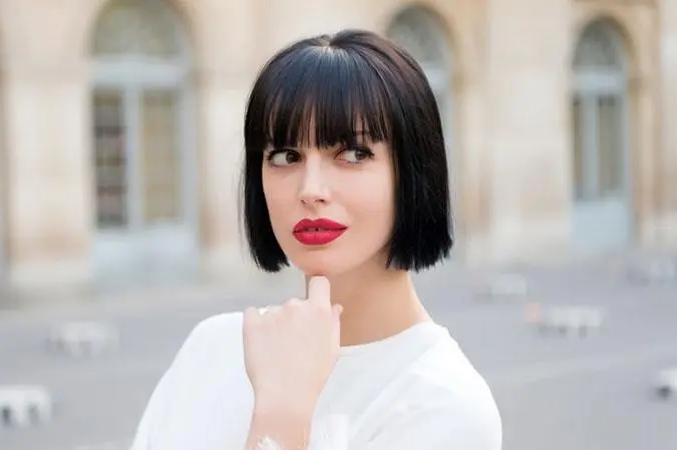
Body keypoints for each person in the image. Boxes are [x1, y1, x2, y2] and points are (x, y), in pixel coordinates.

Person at [129, 29, 502, 450]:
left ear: (413, 172)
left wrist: (282, 416)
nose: (311, 188)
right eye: (286, 157)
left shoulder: (446, 404)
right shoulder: (213, 347)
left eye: (353, 154)